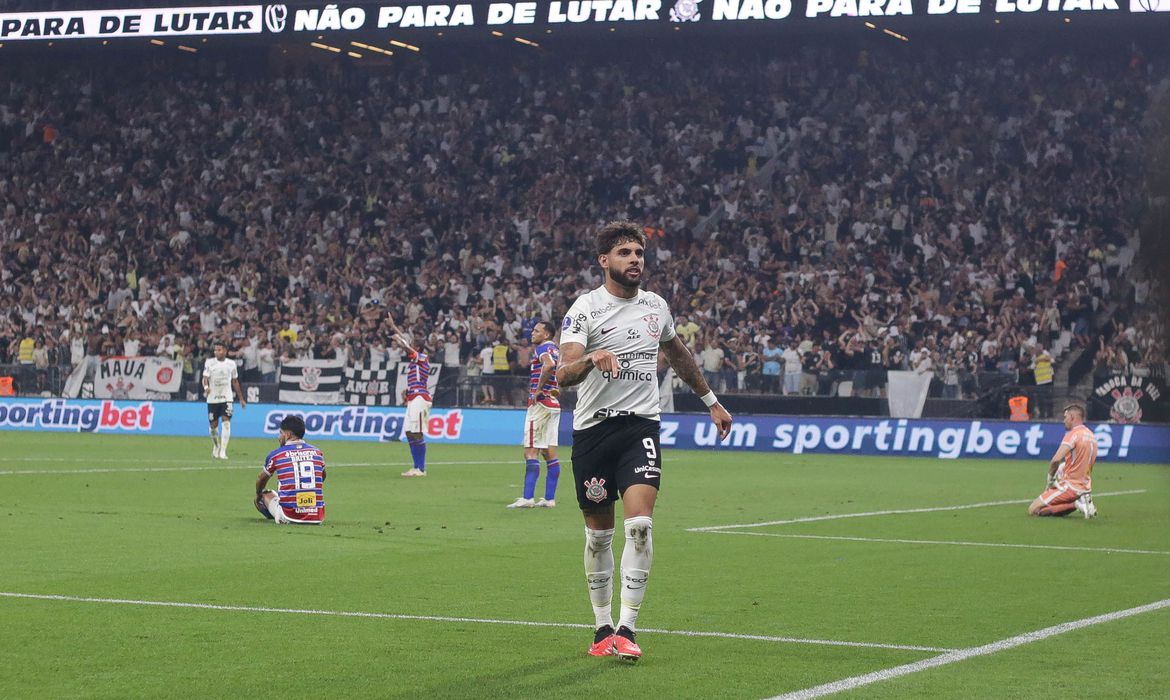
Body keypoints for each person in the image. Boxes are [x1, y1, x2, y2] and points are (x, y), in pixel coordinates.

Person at [556, 221, 733, 662]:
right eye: (625, 253)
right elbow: (562, 374)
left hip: (640, 429)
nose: (635, 259)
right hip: (594, 431)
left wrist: (711, 400)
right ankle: (600, 628)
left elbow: (678, 354)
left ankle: (627, 627)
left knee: (639, 528)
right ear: (604, 261)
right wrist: (592, 359)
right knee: (599, 536)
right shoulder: (585, 309)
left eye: (638, 252)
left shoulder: (656, 307)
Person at [508, 320, 562, 509]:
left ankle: (528, 498)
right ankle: (549, 499)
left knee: (530, 451)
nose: (532, 333)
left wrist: (538, 390)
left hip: (540, 405)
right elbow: (558, 370)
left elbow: (548, 366)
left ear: (546, 335)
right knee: (549, 453)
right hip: (553, 404)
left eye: (537, 331)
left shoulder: (543, 349)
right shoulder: (556, 349)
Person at [1028, 403, 1098, 519]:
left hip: (1071, 486)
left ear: (1072, 417)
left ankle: (1076, 504)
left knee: (1033, 510)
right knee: (1061, 467)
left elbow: (1055, 460)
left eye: (1065, 417)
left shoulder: (1073, 435)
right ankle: (1082, 501)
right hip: (1085, 486)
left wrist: (1050, 480)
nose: (1064, 420)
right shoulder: (1091, 436)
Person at [254, 414, 326, 525]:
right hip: (317, 515)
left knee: (265, 494)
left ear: (287, 435)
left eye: (280, 433)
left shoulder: (277, 454)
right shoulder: (317, 452)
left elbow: (261, 479)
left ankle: (276, 515)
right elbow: (322, 476)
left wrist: (258, 494)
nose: (279, 437)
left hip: (289, 516)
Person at [389, 319, 432, 477]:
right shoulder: (415, 359)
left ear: (418, 347)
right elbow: (407, 344)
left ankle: (420, 468)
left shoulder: (422, 357)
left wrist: (398, 340)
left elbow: (407, 347)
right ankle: (416, 467)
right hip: (413, 397)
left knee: (417, 431)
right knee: (409, 431)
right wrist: (394, 327)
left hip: (421, 398)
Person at [203, 339, 246, 460]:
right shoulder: (209, 363)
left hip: (227, 397)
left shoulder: (231, 364)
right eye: (215, 350)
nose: (216, 352)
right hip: (212, 398)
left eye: (219, 349)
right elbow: (205, 378)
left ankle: (223, 451)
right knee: (213, 427)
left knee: (226, 422)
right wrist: (206, 387)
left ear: (225, 351)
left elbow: (235, 381)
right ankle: (216, 446)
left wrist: (241, 398)